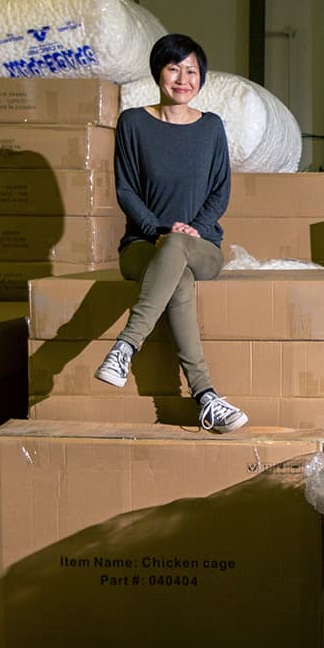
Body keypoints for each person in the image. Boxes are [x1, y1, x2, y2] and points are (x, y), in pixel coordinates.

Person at [93, 33, 248, 433]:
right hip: (142, 246)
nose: (183, 78)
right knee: (175, 277)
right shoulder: (133, 123)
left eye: (192, 71)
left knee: (179, 251)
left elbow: (220, 191)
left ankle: (125, 346)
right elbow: (125, 189)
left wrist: (190, 231)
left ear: (202, 78)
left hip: (203, 247)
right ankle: (206, 397)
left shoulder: (212, 128)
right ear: (158, 72)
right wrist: (158, 230)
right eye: (174, 68)